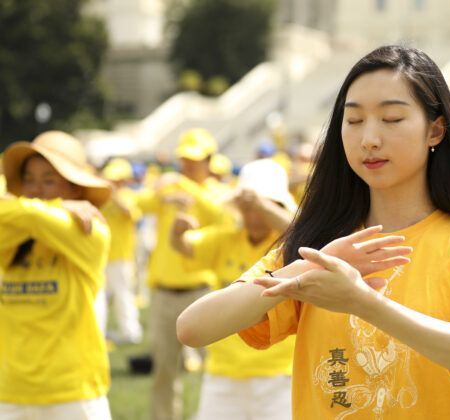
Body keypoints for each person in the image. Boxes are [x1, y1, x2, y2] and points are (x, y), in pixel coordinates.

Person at [177, 45, 450, 419]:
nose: (369, 138)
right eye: (353, 121)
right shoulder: (321, 249)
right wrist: (303, 270)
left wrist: (366, 305)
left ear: (435, 130)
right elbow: (193, 328)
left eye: (391, 119)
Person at [171, 158, 297, 420]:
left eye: (260, 207)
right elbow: (185, 247)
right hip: (223, 374)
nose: (252, 215)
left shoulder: (289, 246)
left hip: (279, 375)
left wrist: (259, 203)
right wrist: (176, 232)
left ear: (279, 206)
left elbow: (307, 239)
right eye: (245, 208)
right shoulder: (225, 238)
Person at [0, 131, 112, 419]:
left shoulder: (90, 229)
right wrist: (56, 204)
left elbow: (34, 216)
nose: (36, 189)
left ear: (76, 190)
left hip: (73, 394)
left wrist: (51, 210)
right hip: (12, 392)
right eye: (29, 179)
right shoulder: (12, 235)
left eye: (49, 180)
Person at [139, 128, 226, 420]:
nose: (187, 166)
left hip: (201, 291)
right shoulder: (169, 189)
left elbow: (220, 213)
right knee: (164, 371)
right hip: (164, 292)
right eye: (184, 160)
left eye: (195, 160)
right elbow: (139, 205)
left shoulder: (214, 193)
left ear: (209, 162)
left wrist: (183, 189)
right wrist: (160, 191)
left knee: (215, 368)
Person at [94, 158, 144, 344]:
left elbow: (131, 214)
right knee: (98, 296)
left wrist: (113, 195)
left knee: (123, 294)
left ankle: (130, 333)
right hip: (101, 255)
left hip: (121, 256)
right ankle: (98, 334)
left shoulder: (129, 195)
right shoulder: (102, 198)